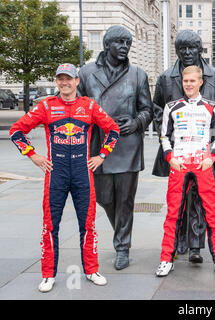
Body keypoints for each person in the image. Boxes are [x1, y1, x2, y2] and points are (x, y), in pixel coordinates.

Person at [9, 63, 120, 292]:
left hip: (83, 173)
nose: (64, 82)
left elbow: (114, 130)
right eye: (60, 78)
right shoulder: (46, 106)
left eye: (68, 78)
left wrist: (101, 156)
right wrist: (34, 156)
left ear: (77, 81)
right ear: (56, 81)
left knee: (88, 224)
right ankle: (48, 274)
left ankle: (91, 270)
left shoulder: (89, 106)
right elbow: (16, 131)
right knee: (50, 225)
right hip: (55, 173)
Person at [78, 26, 154, 270]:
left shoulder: (138, 75)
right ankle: (120, 232)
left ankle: (122, 247)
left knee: (125, 201)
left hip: (127, 145)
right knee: (104, 198)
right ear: (106, 45)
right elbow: (77, 107)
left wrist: (137, 122)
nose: (124, 47)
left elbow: (147, 110)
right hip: (98, 145)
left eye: (128, 43)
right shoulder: (87, 73)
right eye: (119, 42)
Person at [152, 30, 215, 263]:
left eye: (191, 48)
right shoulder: (166, 78)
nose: (186, 52)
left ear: (199, 49)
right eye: (181, 48)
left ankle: (195, 244)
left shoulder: (214, 76)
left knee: (199, 199)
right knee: (179, 198)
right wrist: (167, 141)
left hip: (204, 150)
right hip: (178, 150)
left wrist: (214, 148)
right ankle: (179, 240)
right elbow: (157, 110)